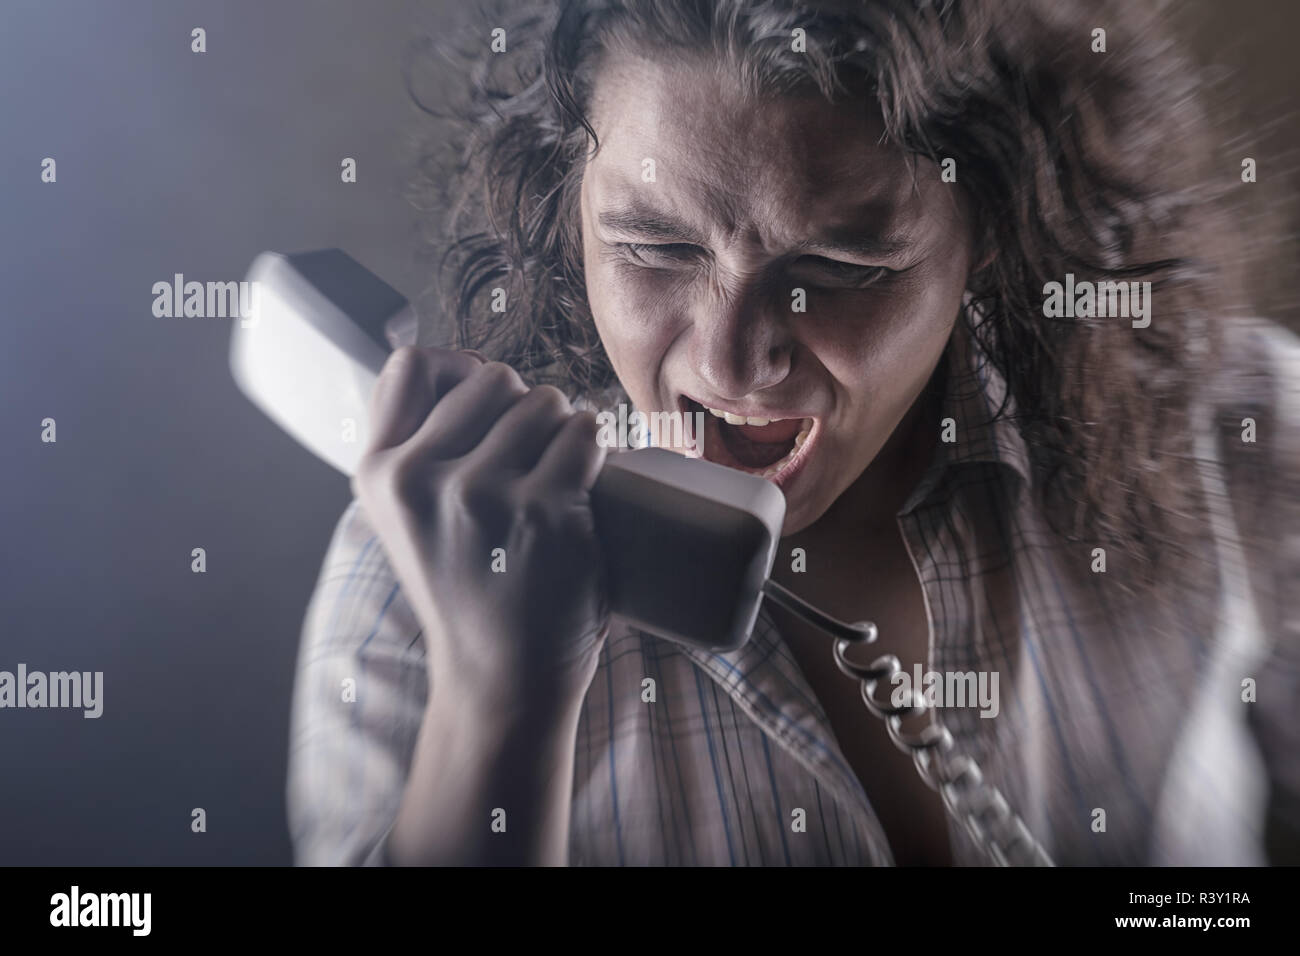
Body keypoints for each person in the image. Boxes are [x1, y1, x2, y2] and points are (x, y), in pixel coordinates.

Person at [286, 0, 1298, 866]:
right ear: (567, 212)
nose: (730, 362)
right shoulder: (413, 576)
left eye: (845, 268)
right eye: (653, 246)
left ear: (993, 229)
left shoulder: (1234, 431)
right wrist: (498, 698)